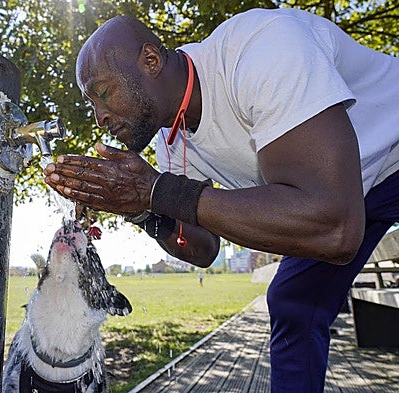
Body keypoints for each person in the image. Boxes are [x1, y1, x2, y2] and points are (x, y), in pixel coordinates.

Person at [44, 7, 399, 393]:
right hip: (353, 192)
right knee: (291, 303)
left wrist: (159, 191)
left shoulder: (262, 48)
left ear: (150, 60)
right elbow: (204, 248)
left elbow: (334, 228)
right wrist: (144, 211)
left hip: (389, 158)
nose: (99, 117)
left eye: (103, 93)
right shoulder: (169, 140)